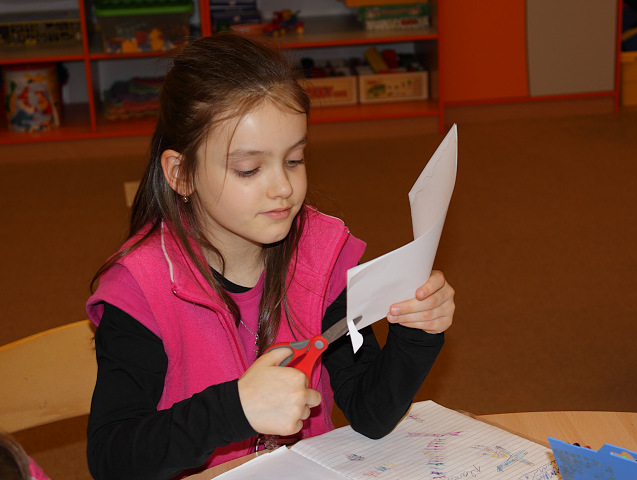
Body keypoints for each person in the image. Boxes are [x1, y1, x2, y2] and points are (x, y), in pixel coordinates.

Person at [86, 32, 455, 480]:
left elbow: (370, 412)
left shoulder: (322, 256)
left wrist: (416, 332)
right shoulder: (141, 290)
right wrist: (235, 408)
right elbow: (111, 459)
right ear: (181, 174)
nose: (283, 187)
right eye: (249, 169)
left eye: (294, 160)